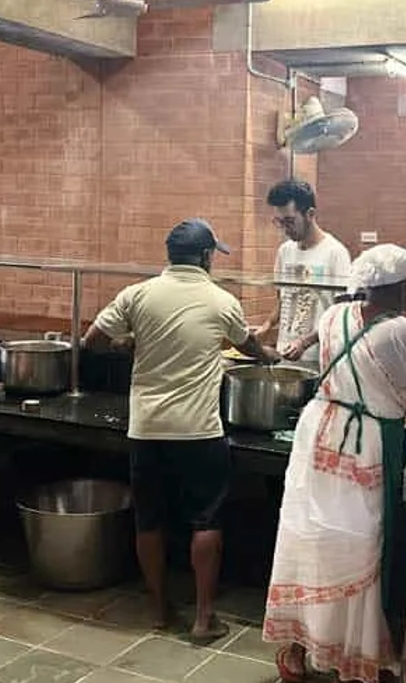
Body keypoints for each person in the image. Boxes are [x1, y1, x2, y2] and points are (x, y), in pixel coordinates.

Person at [263, 244, 406, 683]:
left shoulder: (333, 316)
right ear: (397, 289)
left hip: (318, 433)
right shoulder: (405, 332)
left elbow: (323, 350)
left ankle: (298, 647)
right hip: (365, 446)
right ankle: (348, 665)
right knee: (360, 547)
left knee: (309, 535)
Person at [83, 219, 279, 644]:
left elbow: (91, 340)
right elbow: (248, 347)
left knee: (149, 519)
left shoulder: (137, 294)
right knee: (205, 519)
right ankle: (204, 618)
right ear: (206, 257)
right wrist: (269, 353)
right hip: (198, 431)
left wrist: (126, 342)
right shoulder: (221, 300)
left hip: (147, 428)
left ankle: (158, 609)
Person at [257, 180, 352, 365]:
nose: (285, 229)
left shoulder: (335, 253)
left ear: (310, 214)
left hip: (318, 357)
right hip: (285, 353)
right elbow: (283, 299)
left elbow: (342, 313)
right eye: (279, 222)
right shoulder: (285, 251)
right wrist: (267, 325)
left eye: (290, 221)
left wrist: (305, 342)